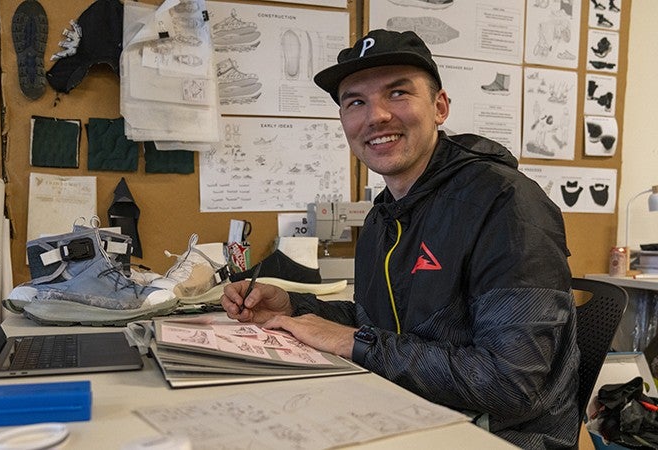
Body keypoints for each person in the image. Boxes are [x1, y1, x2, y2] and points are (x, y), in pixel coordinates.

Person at [221, 29, 579, 449]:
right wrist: (296, 307)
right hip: (409, 410)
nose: (375, 116)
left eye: (397, 93)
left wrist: (353, 342)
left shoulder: (506, 204)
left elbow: (511, 385)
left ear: (440, 107)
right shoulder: (384, 216)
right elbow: (386, 326)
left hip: (497, 436)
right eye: (355, 102)